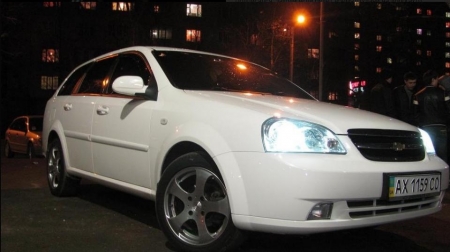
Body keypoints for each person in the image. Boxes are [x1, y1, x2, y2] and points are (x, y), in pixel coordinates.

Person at [413, 70, 450, 163]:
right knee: (442, 154)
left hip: (425, 126)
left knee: (428, 154)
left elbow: (415, 113)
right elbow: (448, 109)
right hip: (441, 126)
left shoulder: (418, 95)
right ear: (433, 79)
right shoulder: (443, 93)